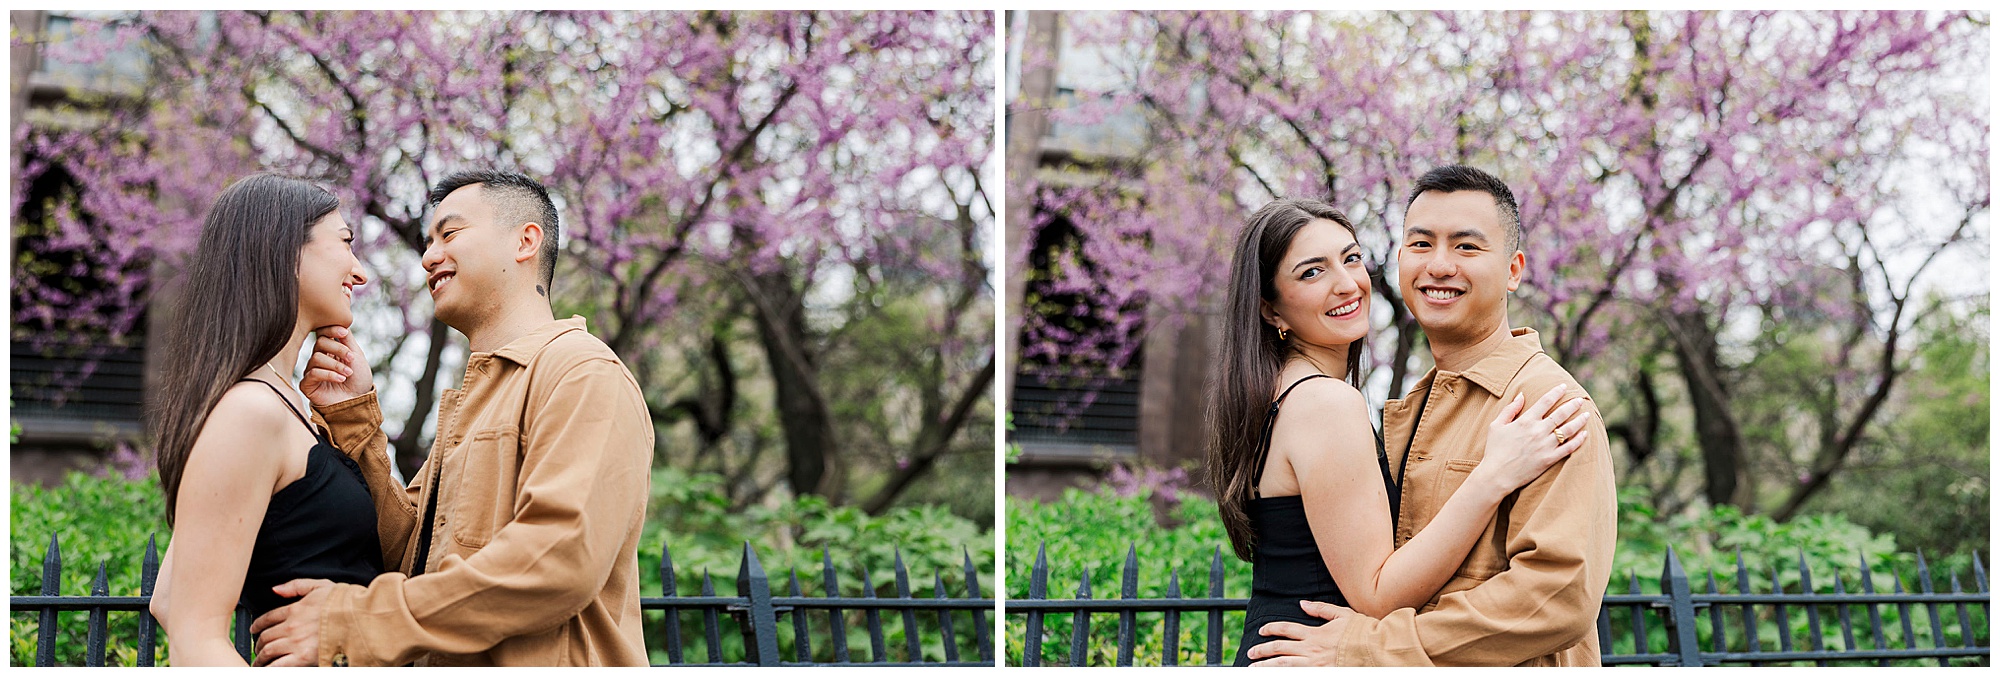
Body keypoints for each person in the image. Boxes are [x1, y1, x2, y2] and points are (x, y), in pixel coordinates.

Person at [245, 170, 655, 666]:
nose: (428, 257)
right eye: (427, 242)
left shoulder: (583, 372)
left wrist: (356, 620)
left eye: (450, 234)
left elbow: (560, 560)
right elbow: (410, 558)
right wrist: (353, 419)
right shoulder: (474, 399)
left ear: (525, 241)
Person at [1245, 166, 1618, 666]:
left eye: (1466, 247)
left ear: (1513, 270)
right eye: (1421, 245)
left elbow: (1557, 598)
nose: (1439, 266)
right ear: (1400, 260)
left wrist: (1373, 648)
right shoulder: (1410, 408)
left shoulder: (1547, 406)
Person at [147, 174, 379, 666]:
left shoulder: (281, 406)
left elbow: (168, 596)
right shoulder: (249, 413)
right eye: (345, 244)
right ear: (286, 253)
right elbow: (195, 637)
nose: (359, 272)